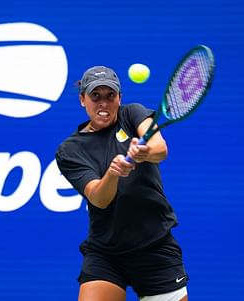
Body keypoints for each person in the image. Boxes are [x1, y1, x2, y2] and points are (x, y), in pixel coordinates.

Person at [55, 66, 188, 301]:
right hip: (106, 252)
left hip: (155, 246)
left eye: (110, 96)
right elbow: (99, 198)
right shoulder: (70, 149)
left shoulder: (132, 114)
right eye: (95, 96)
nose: (103, 103)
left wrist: (142, 152)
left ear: (120, 98)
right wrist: (113, 173)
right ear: (82, 100)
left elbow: (160, 149)